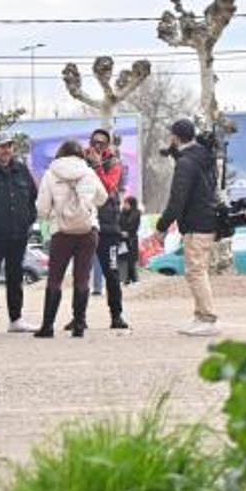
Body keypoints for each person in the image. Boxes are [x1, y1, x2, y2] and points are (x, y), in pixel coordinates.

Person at [33, 140, 107, 339]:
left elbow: (42, 208)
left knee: (55, 278)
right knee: (82, 278)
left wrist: (53, 216)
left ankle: (47, 326)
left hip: (61, 232)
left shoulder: (50, 174)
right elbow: (103, 198)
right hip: (87, 231)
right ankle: (79, 324)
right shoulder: (89, 173)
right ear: (81, 155)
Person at [156, 119, 220, 336]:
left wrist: (161, 226)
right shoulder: (203, 157)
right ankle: (200, 315)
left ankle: (208, 318)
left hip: (196, 223)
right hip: (207, 220)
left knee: (196, 271)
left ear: (175, 137)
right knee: (197, 270)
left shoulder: (186, 163)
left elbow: (177, 200)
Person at [0, 130, 38, 335]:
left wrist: (28, 221)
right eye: (2, 146)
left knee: (16, 277)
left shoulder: (22, 171)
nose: (6, 150)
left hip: (18, 234)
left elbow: (33, 198)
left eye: (9, 146)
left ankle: (16, 318)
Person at [86, 128, 129, 329]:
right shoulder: (81, 160)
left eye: (102, 143)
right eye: (95, 142)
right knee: (82, 273)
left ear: (108, 145)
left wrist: (96, 166)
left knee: (111, 272)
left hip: (108, 225)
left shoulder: (114, 163)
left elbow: (108, 187)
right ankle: (79, 317)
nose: (98, 146)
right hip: (85, 223)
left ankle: (116, 315)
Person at [119, 196, 142, 285]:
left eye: (127, 203)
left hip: (131, 239)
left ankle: (134, 278)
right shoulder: (121, 213)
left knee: (132, 260)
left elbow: (134, 226)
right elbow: (119, 223)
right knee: (123, 259)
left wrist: (128, 232)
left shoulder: (136, 213)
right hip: (122, 240)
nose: (125, 205)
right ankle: (125, 278)